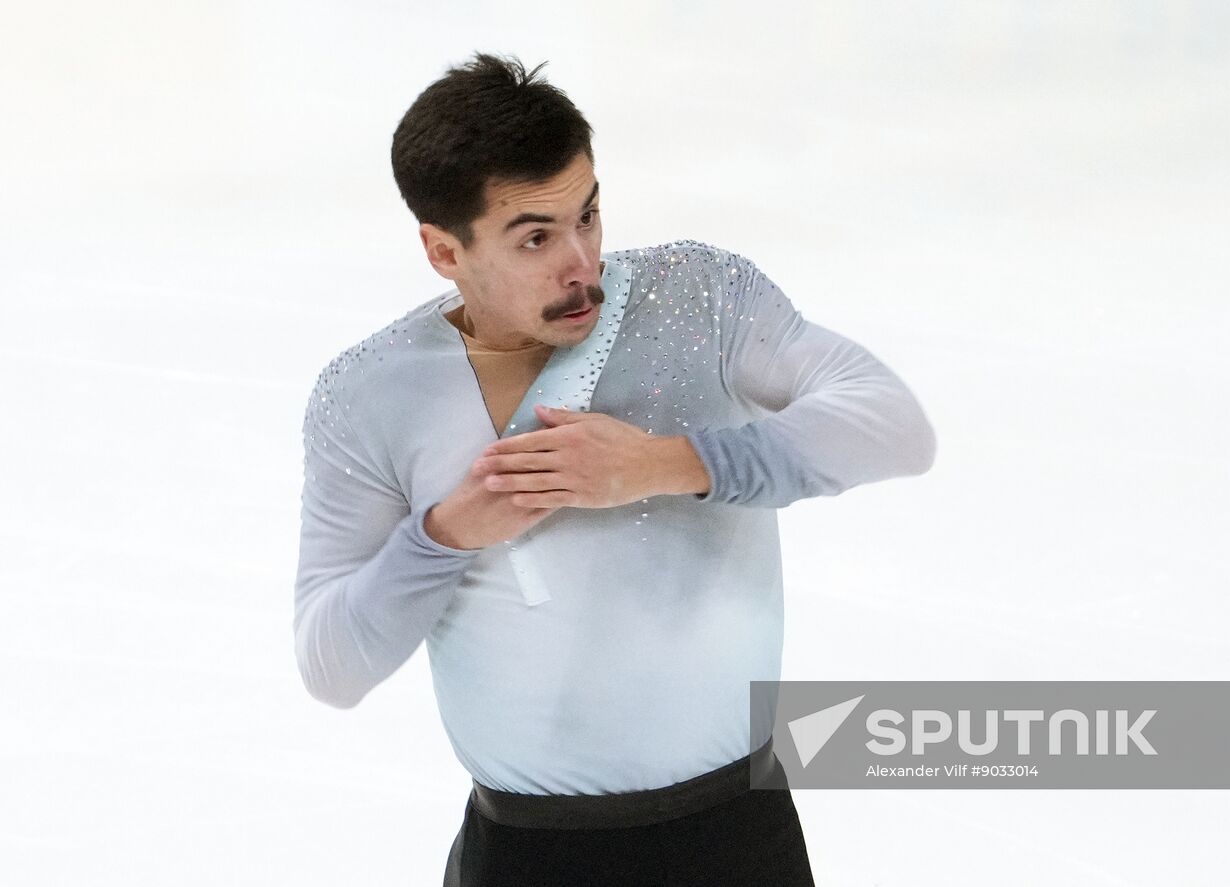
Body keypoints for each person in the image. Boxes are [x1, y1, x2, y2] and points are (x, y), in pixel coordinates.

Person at [293, 52, 935, 886]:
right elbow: (331, 664)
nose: (582, 263)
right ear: (444, 250)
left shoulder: (698, 297)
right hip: (526, 855)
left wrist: (666, 463)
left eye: (588, 215)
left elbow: (893, 426)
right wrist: (447, 534)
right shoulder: (371, 394)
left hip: (736, 836)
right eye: (536, 238)